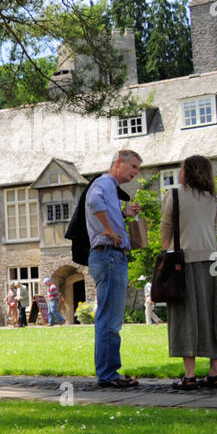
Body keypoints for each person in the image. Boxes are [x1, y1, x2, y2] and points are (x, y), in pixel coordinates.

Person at [161, 156, 217, 389]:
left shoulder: (175, 195)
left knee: (184, 315)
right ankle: (215, 371)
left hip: (183, 261)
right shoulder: (212, 198)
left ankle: (189, 375)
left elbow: (166, 227)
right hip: (211, 260)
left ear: (187, 172)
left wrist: (164, 255)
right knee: (211, 314)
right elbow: (214, 228)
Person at [86, 149, 143, 388]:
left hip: (108, 256)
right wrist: (109, 230)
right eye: (133, 167)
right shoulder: (105, 183)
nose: (135, 173)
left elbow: (100, 207)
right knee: (110, 319)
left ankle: (108, 372)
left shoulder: (108, 186)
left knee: (109, 317)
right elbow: (94, 202)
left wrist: (122, 214)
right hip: (110, 255)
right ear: (119, 163)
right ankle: (109, 374)